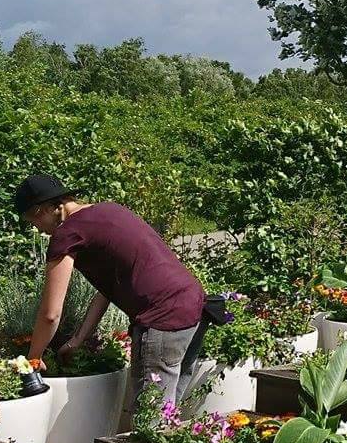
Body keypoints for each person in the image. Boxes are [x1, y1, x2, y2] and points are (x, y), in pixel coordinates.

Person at [13, 173, 204, 416]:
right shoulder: (109, 210)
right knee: (168, 412)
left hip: (163, 316)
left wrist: (33, 359)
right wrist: (78, 339)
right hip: (192, 304)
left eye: (32, 220)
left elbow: (50, 313)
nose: (36, 228)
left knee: (150, 419)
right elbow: (107, 291)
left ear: (44, 210)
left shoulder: (67, 234)